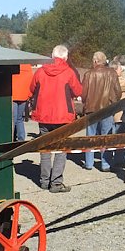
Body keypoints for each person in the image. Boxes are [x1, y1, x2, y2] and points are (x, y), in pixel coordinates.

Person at [30, 45, 82, 193]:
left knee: (45, 149)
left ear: (52, 56)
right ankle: (56, 183)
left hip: (43, 116)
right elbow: (78, 91)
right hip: (63, 116)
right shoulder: (69, 72)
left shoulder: (40, 71)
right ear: (65, 57)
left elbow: (32, 89)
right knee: (61, 150)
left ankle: (44, 181)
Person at [81, 51, 121, 171]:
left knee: (90, 137)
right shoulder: (112, 73)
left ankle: (89, 163)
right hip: (107, 109)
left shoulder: (88, 74)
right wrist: (113, 103)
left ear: (95, 61)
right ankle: (105, 164)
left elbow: (83, 94)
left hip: (91, 110)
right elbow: (118, 92)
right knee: (106, 137)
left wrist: (85, 103)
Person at [11, 63, 34, 142]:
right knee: (19, 119)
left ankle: (11, 138)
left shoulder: (12, 67)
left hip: (13, 96)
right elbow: (31, 84)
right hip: (24, 96)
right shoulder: (28, 68)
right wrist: (29, 95)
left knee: (13, 119)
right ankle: (21, 138)